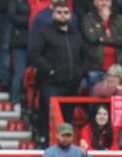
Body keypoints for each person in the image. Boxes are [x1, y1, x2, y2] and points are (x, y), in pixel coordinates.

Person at [29, 1, 87, 148]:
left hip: (72, 85)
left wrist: (80, 72)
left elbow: (85, 56)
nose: (63, 15)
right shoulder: (44, 31)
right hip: (51, 84)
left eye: (66, 12)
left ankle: (66, 149)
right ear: (53, 14)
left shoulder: (76, 34)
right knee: (50, 119)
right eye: (59, 12)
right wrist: (49, 70)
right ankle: (47, 146)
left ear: (70, 14)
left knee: (67, 120)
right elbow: (34, 55)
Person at [82, 0, 122, 95]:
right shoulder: (88, 19)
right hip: (96, 68)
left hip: (117, 69)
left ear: (111, 3)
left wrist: (101, 39)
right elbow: (92, 37)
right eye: (100, 0)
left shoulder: (119, 19)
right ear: (94, 3)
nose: (104, 3)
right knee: (95, 100)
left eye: (107, 0)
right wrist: (103, 22)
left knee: (118, 101)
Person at [8, 0, 30, 111]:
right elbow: (13, 17)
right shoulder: (15, 2)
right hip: (20, 42)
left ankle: (26, 101)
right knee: (20, 72)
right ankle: (15, 100)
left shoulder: (34, 2)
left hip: (35, 41)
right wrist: (31, 20)